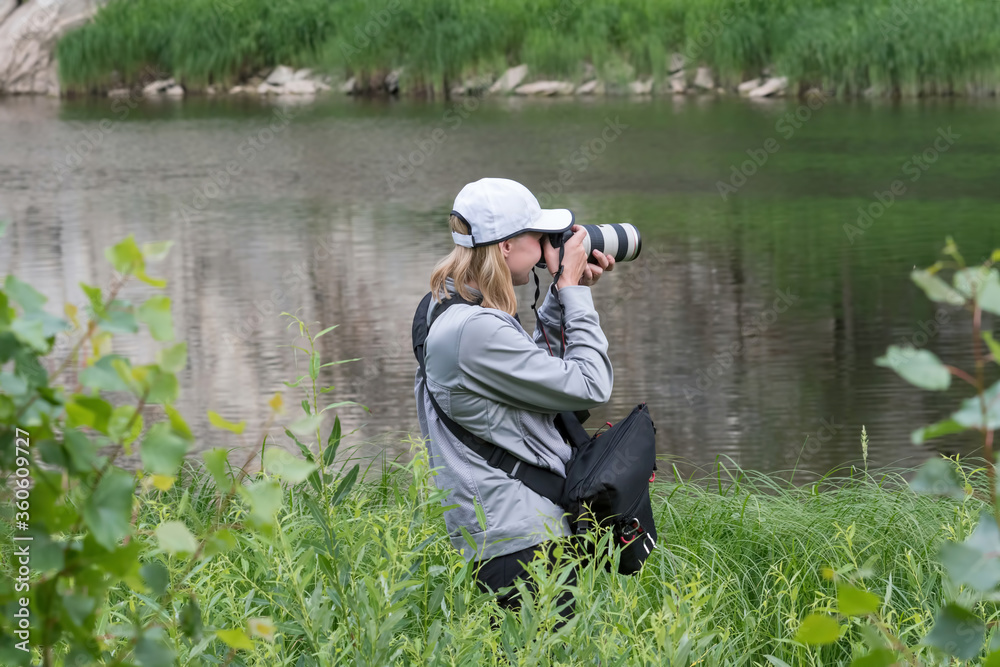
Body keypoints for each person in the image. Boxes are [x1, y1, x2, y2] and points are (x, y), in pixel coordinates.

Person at [413, 177, 615, 625]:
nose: (548, 245)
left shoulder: (446, 306)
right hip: (523, 545)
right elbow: (589, 385)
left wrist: (564, 295)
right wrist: (576, 293)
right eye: (538, 235)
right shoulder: (476, 328)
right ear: (505, 247)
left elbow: (529, 373)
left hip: (506, 536)